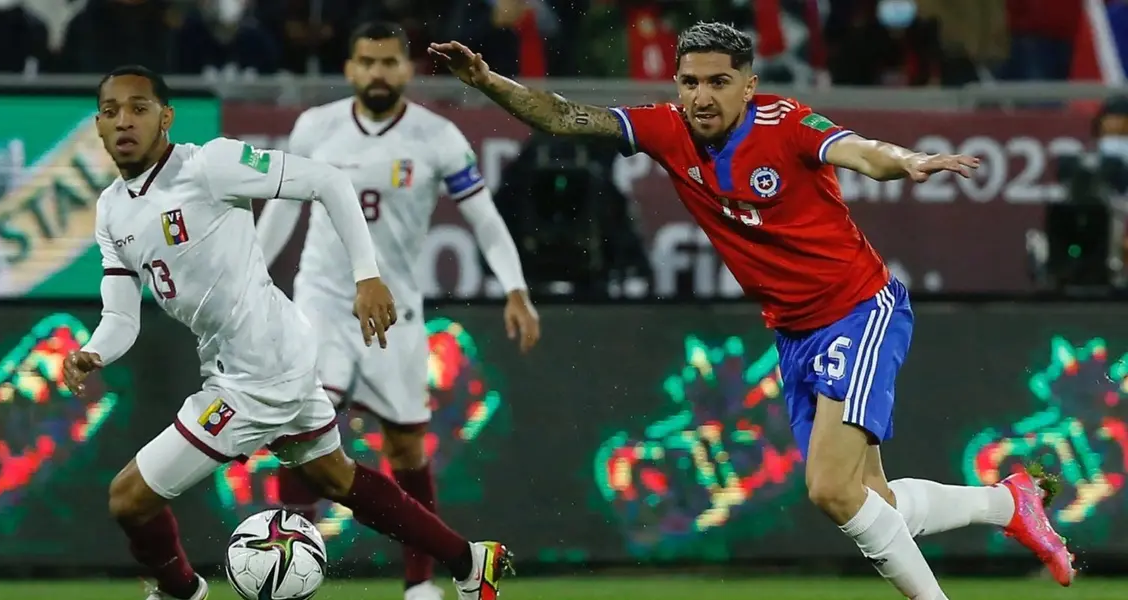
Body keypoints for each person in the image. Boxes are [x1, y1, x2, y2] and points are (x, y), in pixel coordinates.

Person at [429, 22, 1074, 600]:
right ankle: (1006, 503)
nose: (701, 96)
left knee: (829, 488)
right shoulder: (667, 129)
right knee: (870, 502)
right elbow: (564, 117)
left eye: (718, 81)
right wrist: (488, 81)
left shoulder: (786, 123)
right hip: (794, 334)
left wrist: (908, 161)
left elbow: (860, 151)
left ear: (749, 86)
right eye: (689, 82)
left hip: (858, 310)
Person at [63, 65, 512, 600]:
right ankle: (469, 561)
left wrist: (365, 276)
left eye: (139, 107)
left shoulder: (211, 164)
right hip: (254, 358)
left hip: (259, 374)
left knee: (129, 498)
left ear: (166, 116)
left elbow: (328, 181)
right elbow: (121, 319)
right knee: (334, 478)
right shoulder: (111, 210)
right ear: (97, 124)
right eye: (111, 112)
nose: (124, 121)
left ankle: (181, 591)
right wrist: (92, 352)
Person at [254, 22, 540, 600]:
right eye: (368, 62)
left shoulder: (438, 137)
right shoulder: (316, 127)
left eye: (389, 62)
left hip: (398, 311)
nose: (378, 73)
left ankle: (419, 584)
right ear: (350, 68)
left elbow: (483, 217)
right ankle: (287, 574)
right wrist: (251, 276)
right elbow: (282, 208)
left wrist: (515, 288)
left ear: (408, 69)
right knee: (303, 428)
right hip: (323, 300)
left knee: (406, 445)